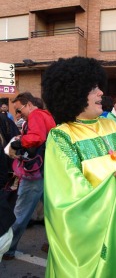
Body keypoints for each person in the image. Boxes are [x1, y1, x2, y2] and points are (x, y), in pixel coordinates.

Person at [41, 56, 116, 277]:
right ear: (74, 92)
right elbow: (68, 196)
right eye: (93, 88)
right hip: (88, 240)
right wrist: (112, 193)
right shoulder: (62, 136)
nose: (101, 93)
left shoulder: (110, 125)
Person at [2, 92, 56, 260]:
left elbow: (36, 137)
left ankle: (8, 248)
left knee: (20, 212)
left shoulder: (36, 116)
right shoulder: (46, 115)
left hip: (35, 172)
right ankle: (54, 246)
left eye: (19, 110)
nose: (18, 114)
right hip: (49, 169)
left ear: (29, 105)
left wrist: (20, 142)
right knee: (52, 212)